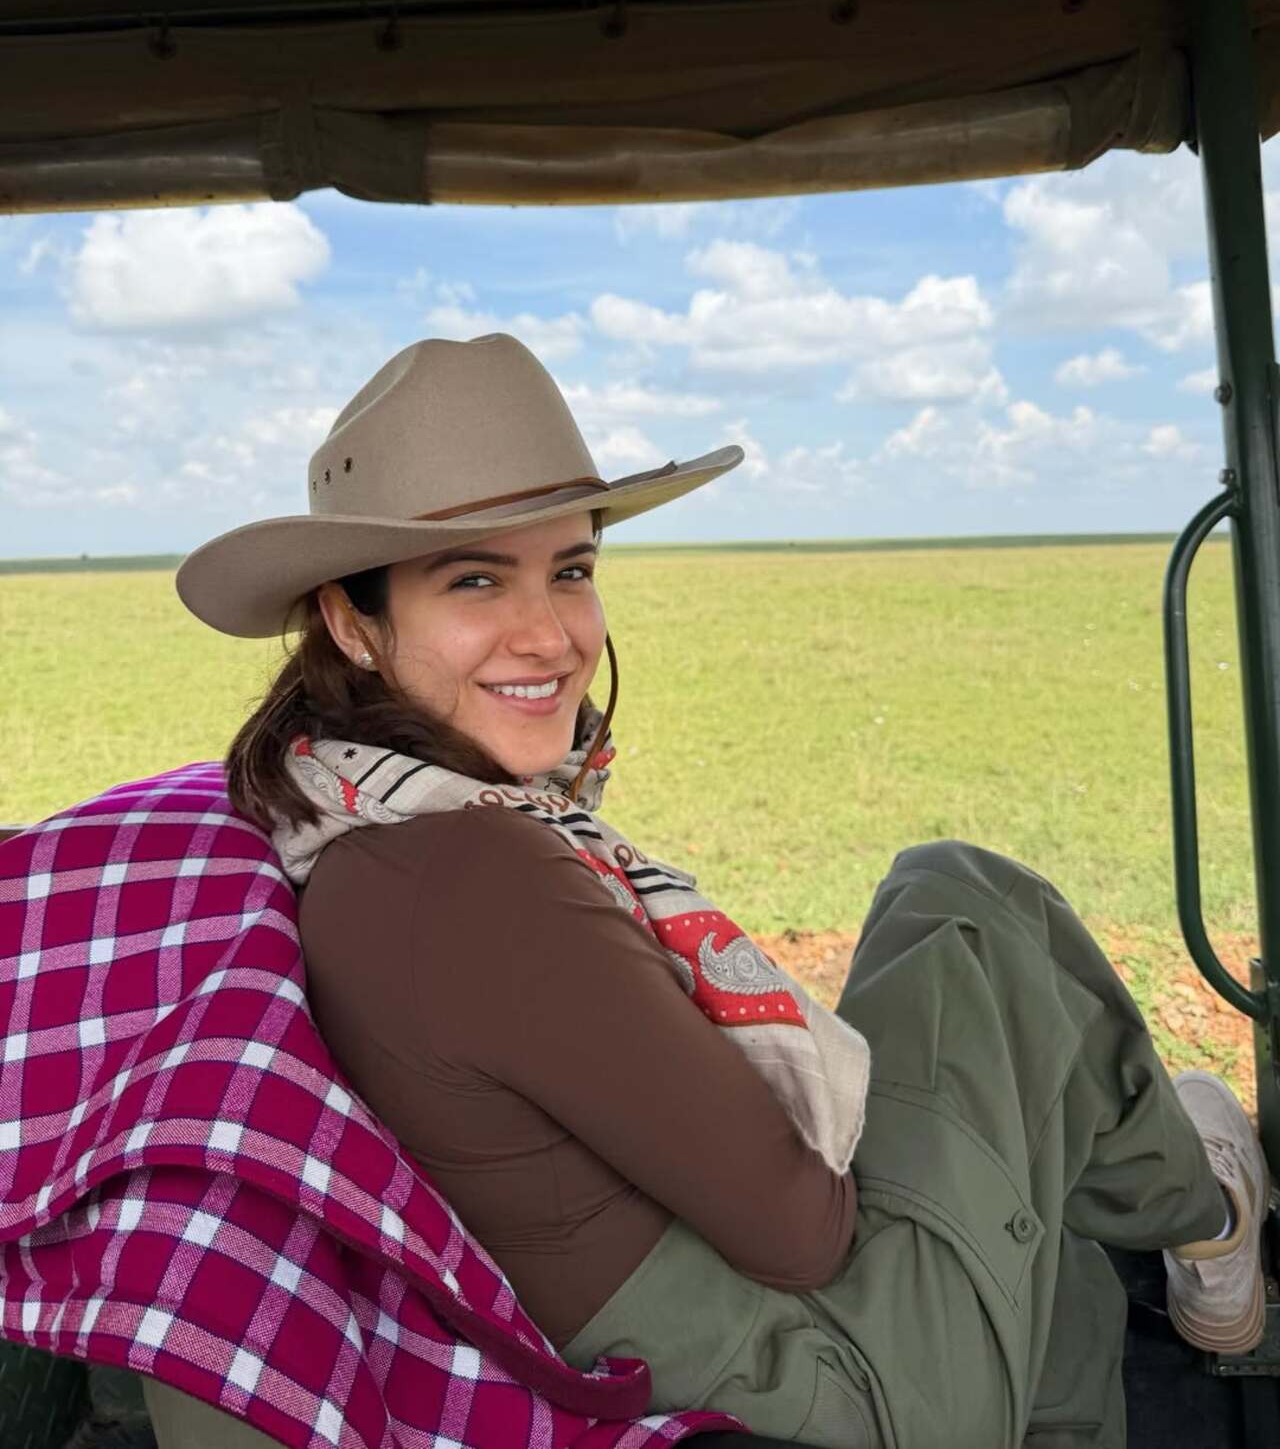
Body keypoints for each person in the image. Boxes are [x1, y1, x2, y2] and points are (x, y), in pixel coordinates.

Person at [166, 334, 1270, 1449]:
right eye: (473, 578)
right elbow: (803, 1231)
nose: (549, 633)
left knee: (1040, 1177)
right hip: (822, 1383)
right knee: (961, 907)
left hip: (649, 1340)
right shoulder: (475, 874)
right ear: (353, 621)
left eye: (572, 569)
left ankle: (1162, 1208)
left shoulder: (346, 817)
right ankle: (1205, 1212)